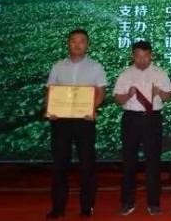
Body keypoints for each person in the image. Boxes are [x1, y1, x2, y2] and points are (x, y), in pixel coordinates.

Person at [45, 28, 106, 219]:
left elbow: (101, 92)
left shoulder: (96, 67)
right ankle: (58, 208)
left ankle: (87, 207)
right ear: (68, 43)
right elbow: (50, 90)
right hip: (61, 122)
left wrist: (92, 108)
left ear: (87, 45)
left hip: (84, 122)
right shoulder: (58, 66)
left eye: (82, 41)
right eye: (74, 40)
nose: (77, 44)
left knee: (87, 166)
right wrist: (50, 109)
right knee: (59, 166)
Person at [113, 40, 171, 216]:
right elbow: (117, 99)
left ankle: (154, 203)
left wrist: (160, 92)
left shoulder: (159, 73)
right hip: (131, 119)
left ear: (151, 56)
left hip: (152, 119)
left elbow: (168, 97)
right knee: (128, 161)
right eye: (138, 56)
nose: (142, 60)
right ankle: (127, 202)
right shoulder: (125, 74)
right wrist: (128, 94)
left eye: (145, 56)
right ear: (133, 56)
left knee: (153, 162)